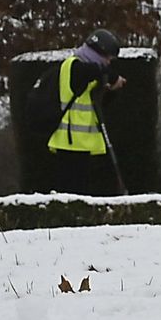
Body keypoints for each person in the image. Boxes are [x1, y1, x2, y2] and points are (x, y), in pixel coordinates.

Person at [46, 28, 127, 195]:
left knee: (82, 192)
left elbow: (96, 105)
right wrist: (112, 77)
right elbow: (96, 71)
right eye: (108, 58)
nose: (109, 63)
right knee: (72, 193)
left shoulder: (85, 71)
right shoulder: (74, 66)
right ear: (100, 53)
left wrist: (111, 90)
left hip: (81, 144)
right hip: (70, 142)